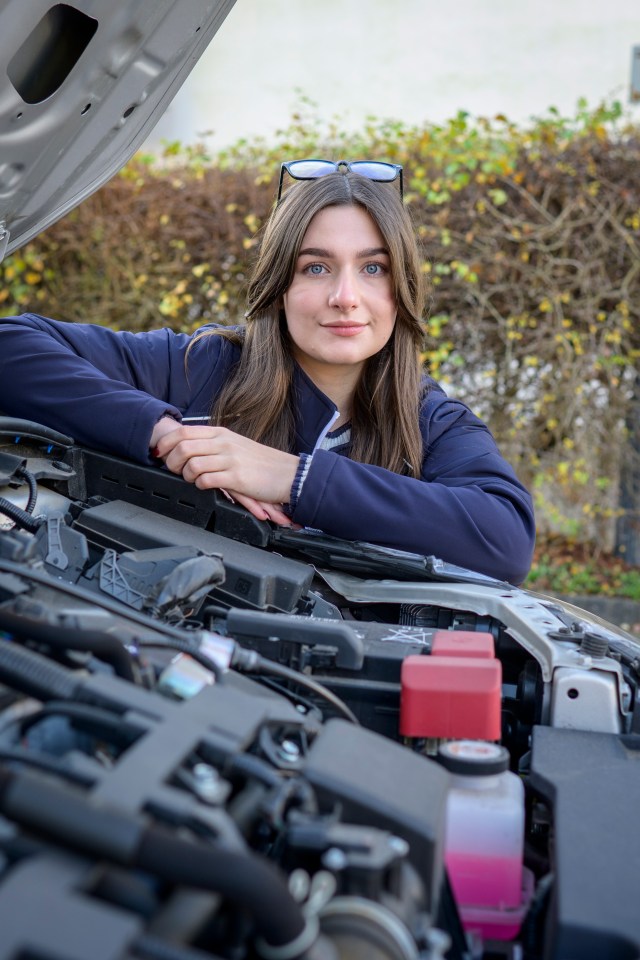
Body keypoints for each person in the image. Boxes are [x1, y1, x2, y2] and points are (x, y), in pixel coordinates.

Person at [0, 159, 535, 583]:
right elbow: (11, 346)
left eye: (373, 269)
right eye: (316, 267)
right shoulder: (198, 367)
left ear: (403, 293)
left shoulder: (431, 419)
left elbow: (505, 539)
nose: (345, 297)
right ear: (279, 287)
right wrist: (167, 434)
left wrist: (291, 477)